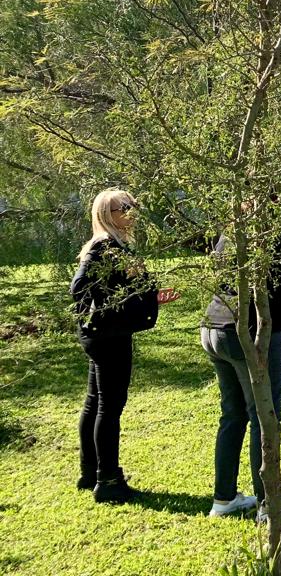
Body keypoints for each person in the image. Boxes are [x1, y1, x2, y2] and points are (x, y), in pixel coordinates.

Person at [70, 189, 179, 503]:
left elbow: (117, 287)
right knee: (109, 406)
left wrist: (148, 298)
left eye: (134, 206)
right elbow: (80, 288)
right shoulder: (104, 246)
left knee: (95, 402)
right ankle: (108, 480)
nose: (132, 212)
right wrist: (111, 310)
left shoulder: (111, 244)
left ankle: (90, 472)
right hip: (108, 337)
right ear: (108, 214)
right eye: (125, 207)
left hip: (103, 334)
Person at [202, 217, 281, 520]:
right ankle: (270, 503)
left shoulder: (232, 228)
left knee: (233, 414)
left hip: (215, 327)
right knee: (264, 415)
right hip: (249, 334)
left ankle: (224, 499)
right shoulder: (268, 231)